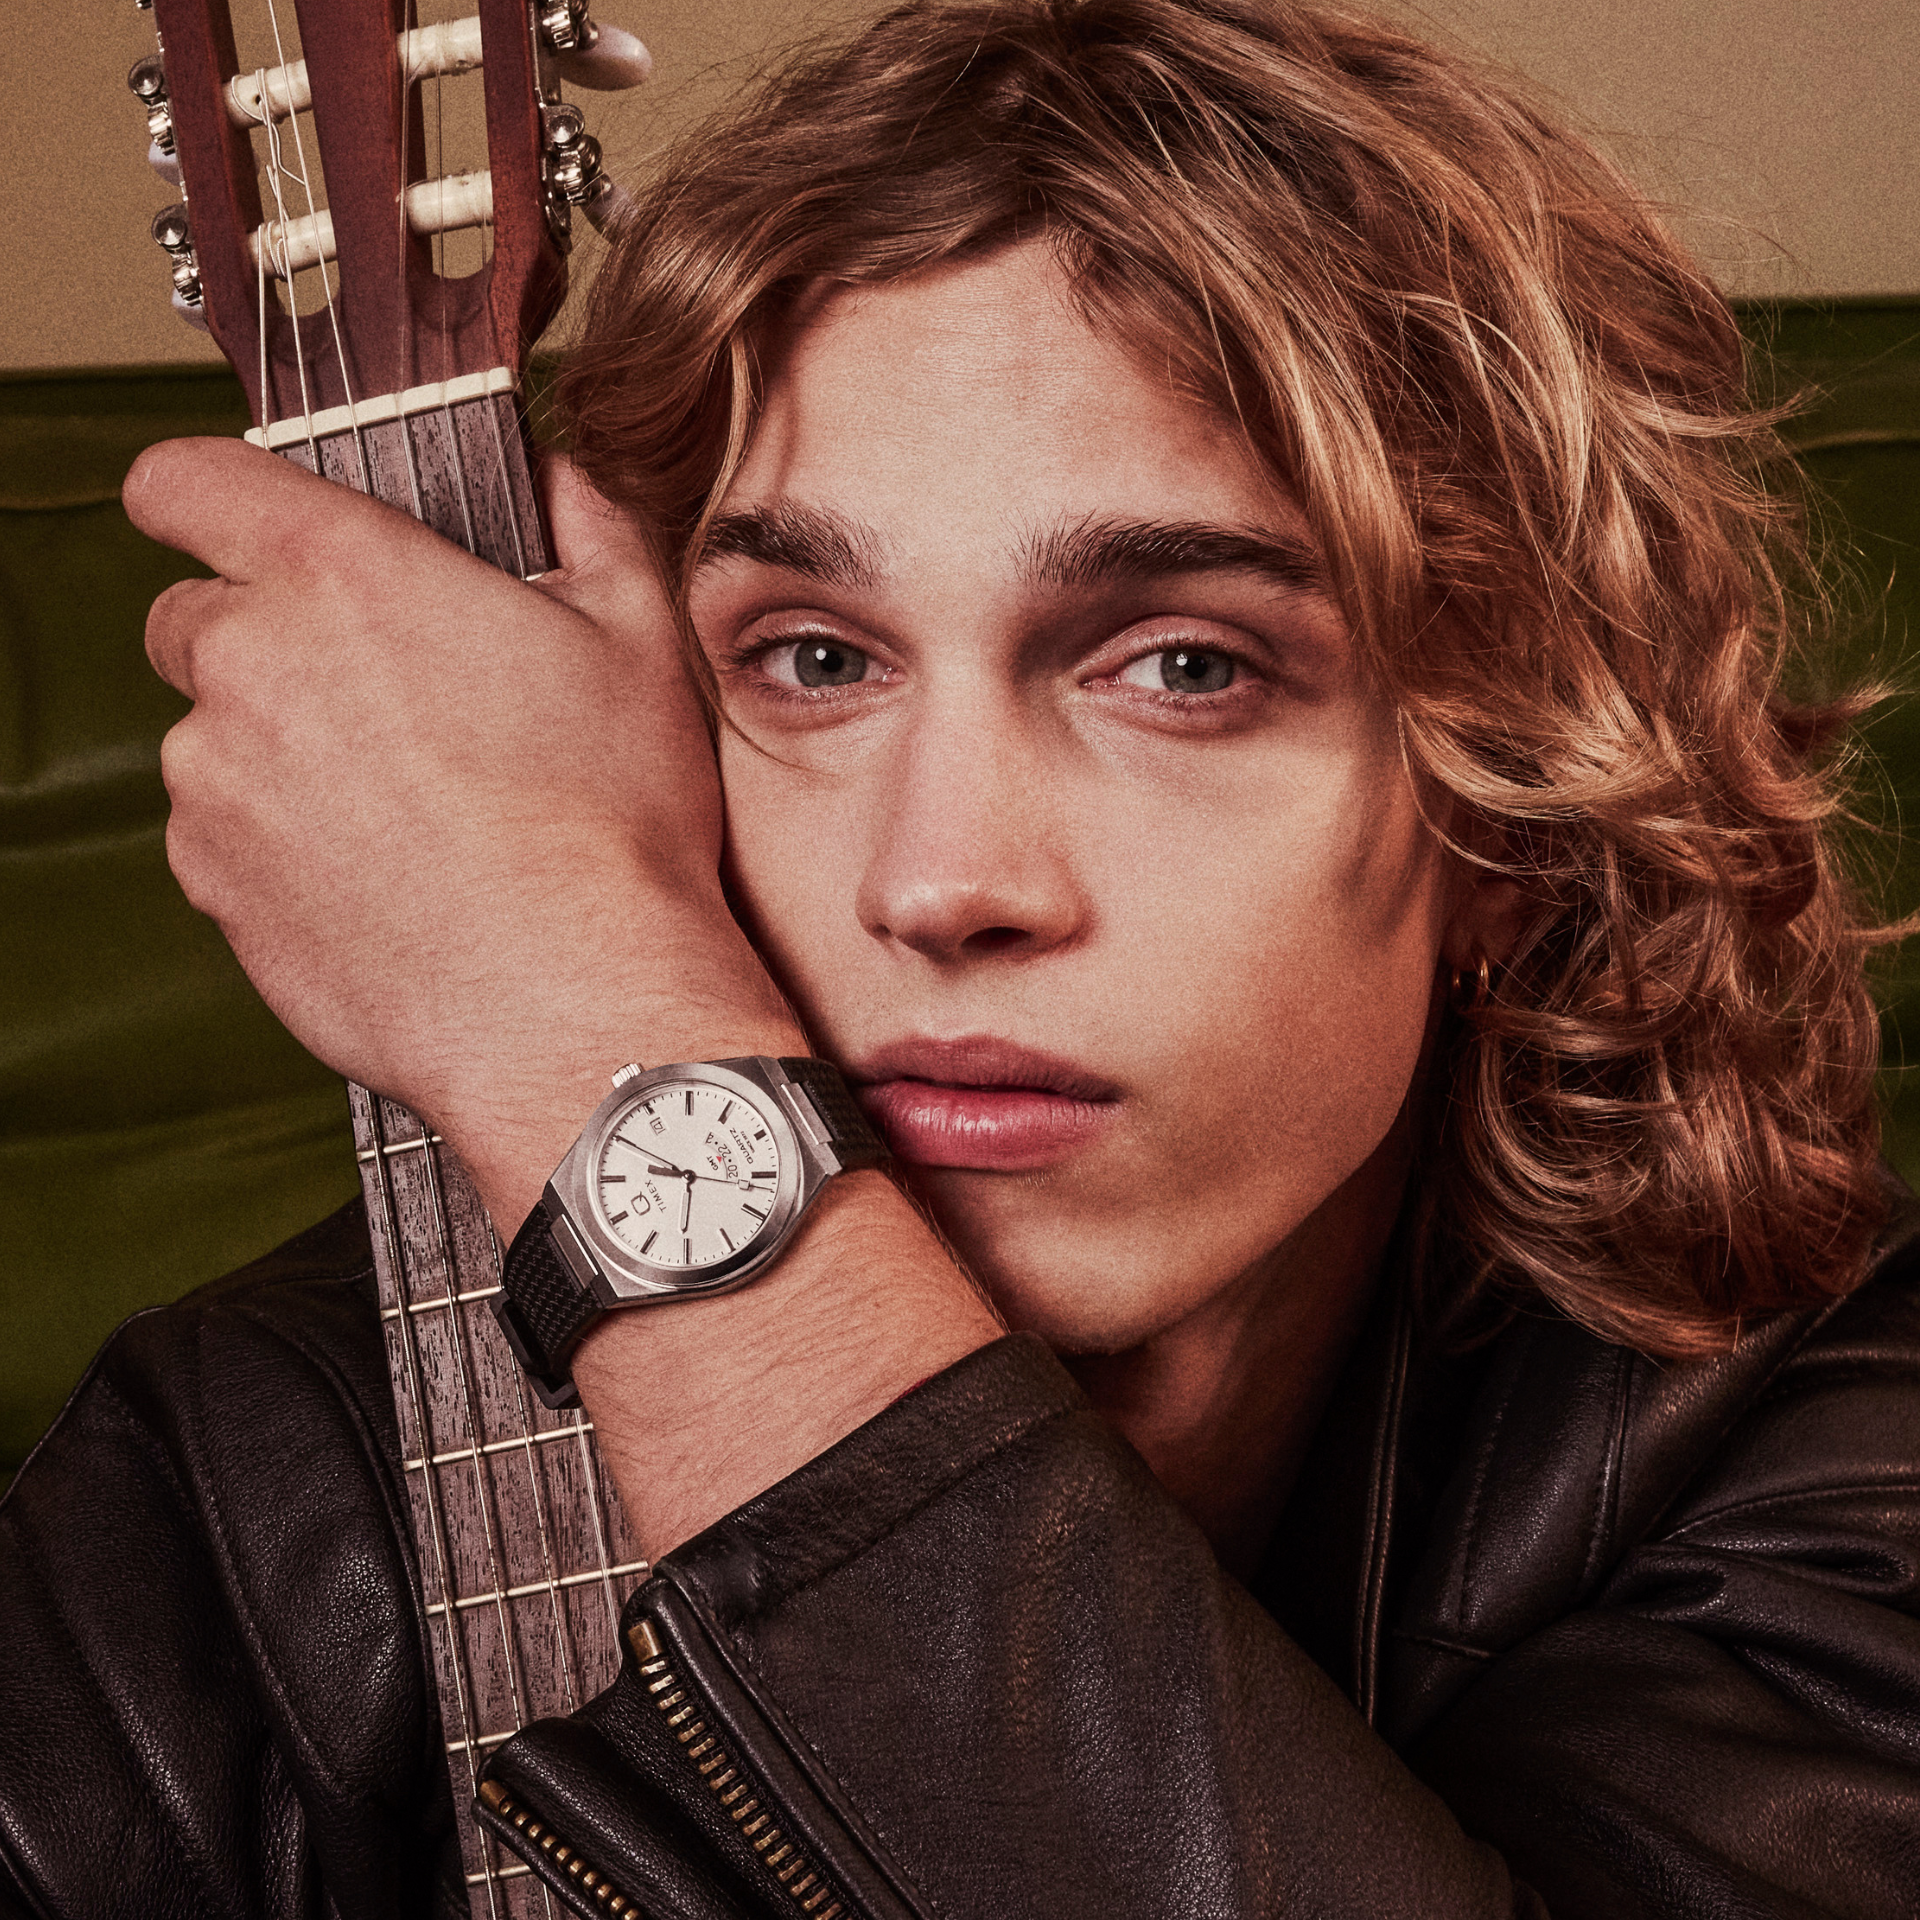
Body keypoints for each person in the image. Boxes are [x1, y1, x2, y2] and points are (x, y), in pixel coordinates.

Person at [4, 0, 1918, 1913]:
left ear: (1516, 816)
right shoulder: (237, 1494)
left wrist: (588, 1028)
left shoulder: (1812, 1439)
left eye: (1188, 666)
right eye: (813, 658)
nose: (942, 882)